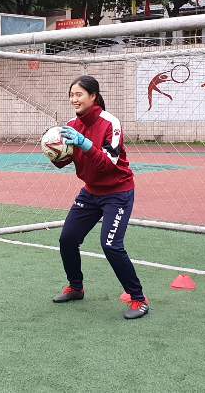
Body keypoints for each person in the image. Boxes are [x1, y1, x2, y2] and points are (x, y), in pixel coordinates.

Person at [49, 75, 150, 319]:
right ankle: (76, 287)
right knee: (67, 239)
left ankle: (139, 299)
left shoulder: (110, 123)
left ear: (93, 96)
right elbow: (67, 162)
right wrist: (55, 153)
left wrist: (84, 144)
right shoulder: (71, 125)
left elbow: (107, 163)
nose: (74, 99)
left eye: (79, 94)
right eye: (71, 95)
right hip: (91, 191)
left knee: (111, 245)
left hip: (118, 192)